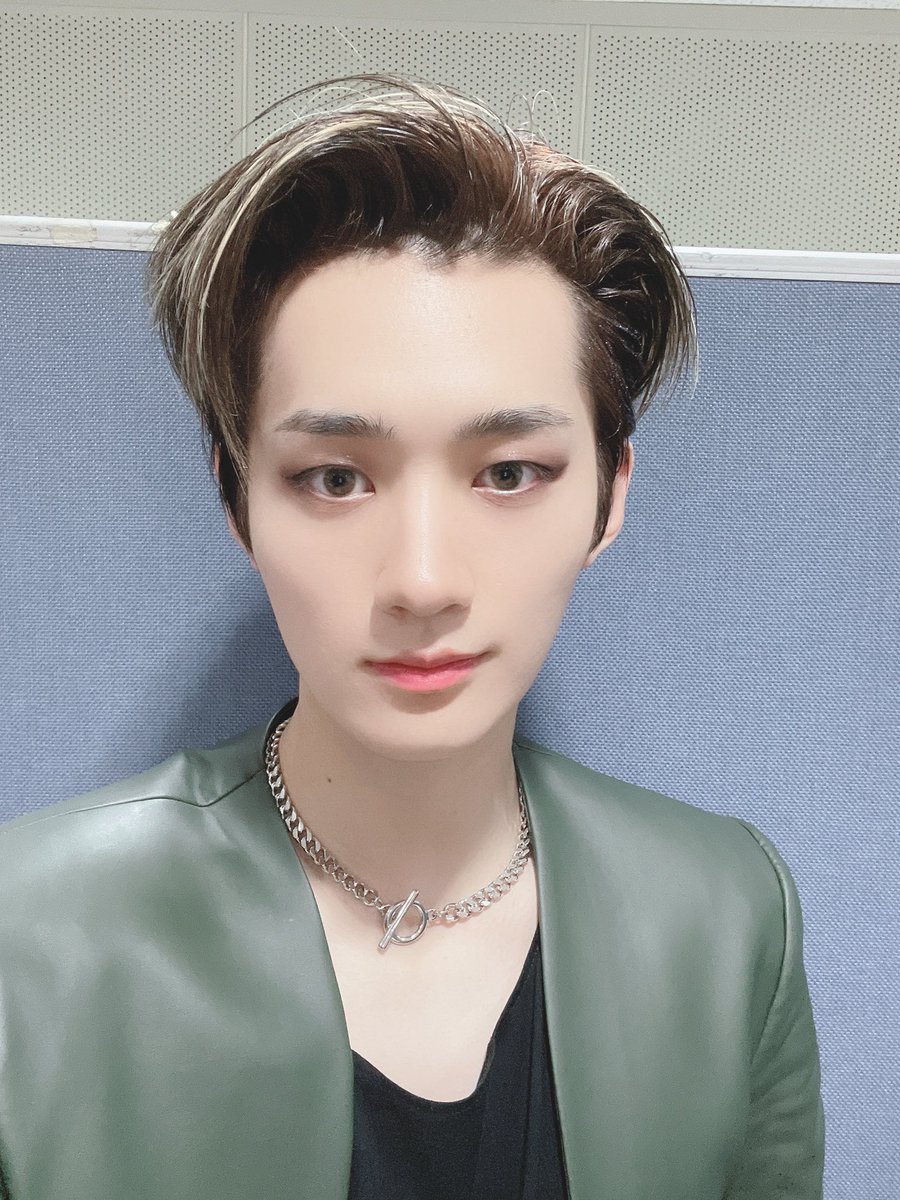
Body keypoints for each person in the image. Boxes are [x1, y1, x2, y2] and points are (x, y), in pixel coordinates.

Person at [0, 72, 824, 1199]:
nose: (424, 581)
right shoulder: (27, 940)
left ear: (609, 496)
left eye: (510, 473)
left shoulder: (731, 921)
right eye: (335, 478)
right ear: (237, 499)